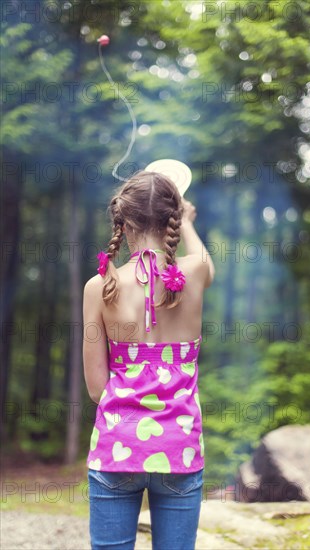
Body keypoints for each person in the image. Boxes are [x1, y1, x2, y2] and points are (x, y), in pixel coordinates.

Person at [83, 170, 215, 550]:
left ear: (122, 222)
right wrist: (188, 223)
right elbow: (205, 262)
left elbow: (96, 389)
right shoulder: (193, 273)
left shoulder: (100, 287)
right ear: (172, 217)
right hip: (180, 450)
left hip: (117, 448)